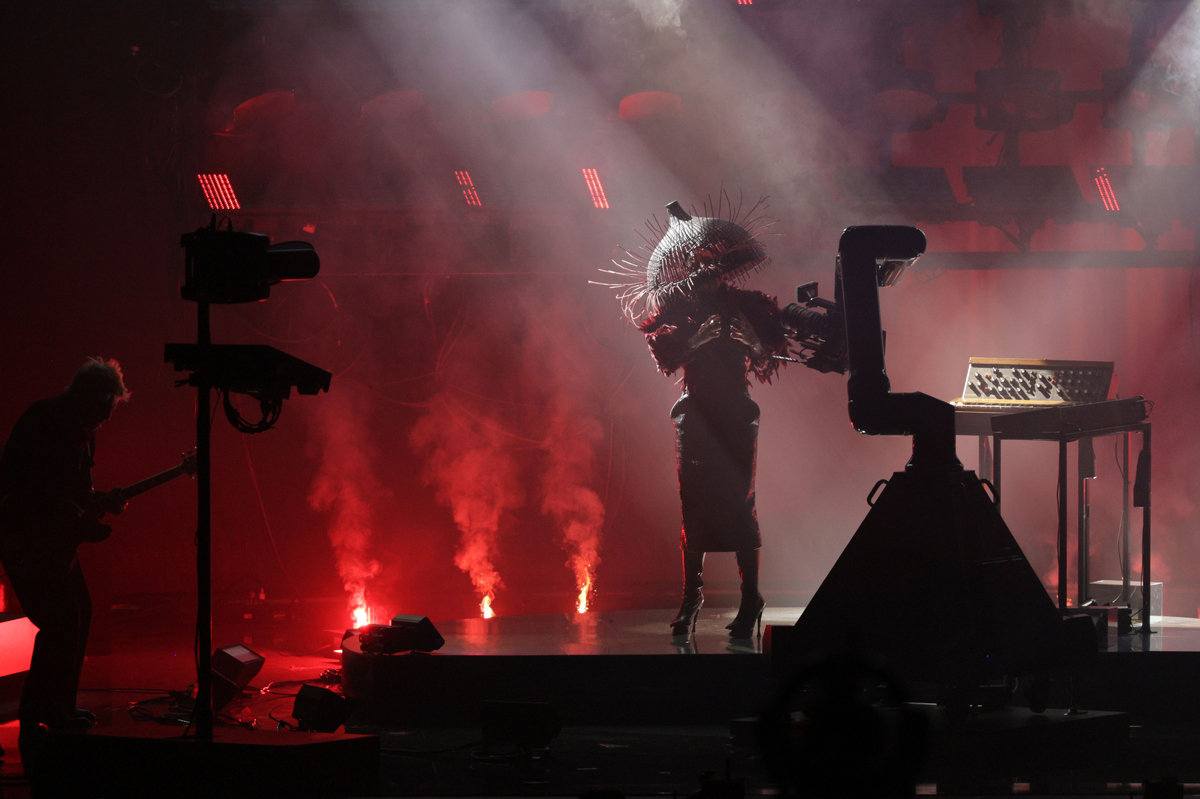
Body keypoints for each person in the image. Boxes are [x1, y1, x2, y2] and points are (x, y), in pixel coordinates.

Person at [599, 198, 788, 639]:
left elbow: (771, 357)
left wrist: (751, 343)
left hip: (737, 412)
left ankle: (751, 597)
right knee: (695, 503)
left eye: (713, 261)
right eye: (699, 263)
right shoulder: (678, 308)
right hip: (695, 413)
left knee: (740, 502)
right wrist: (696, 341)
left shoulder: (747, 305)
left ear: (724, 262)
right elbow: (664, 356)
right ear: (687, 267)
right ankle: (692, 597)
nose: (708, 269)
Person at [0, 358, 130, 761]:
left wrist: (102, 501)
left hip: (54, 544)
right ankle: (35, 714)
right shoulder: (43, 419)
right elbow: (15, 481)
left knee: (79, 612)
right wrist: (63, 513)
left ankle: (60, 708)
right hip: (25, 540)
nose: (108, 418)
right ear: (86, 396)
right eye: (105, 407)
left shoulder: (84, 435)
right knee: (61, 619)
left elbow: (79, 494)